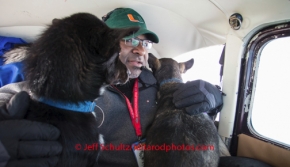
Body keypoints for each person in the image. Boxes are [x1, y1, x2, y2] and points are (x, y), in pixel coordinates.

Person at [0, 8, 223, 167]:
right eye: (129, 39)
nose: (140, 50)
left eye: (145, 43)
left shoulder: (159, 82)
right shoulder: (79, 81)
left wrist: (213, 101)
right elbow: (16, 94)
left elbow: (192, 110)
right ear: (106, 42)